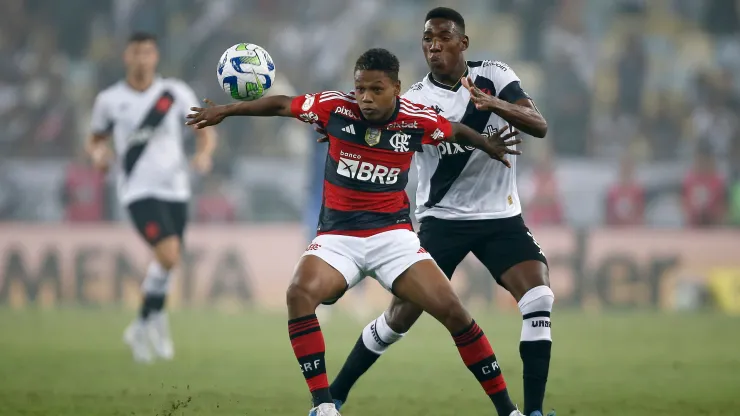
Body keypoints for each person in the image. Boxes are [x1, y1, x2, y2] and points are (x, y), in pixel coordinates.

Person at [187, 48, 525, 416]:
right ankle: (323, 406)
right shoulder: (334, 108)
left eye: (376, 89)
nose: (365, 97)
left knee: (455, 312)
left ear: (396, 88)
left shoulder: (417, 119)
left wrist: (486, 142)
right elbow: (283, 105)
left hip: (394, 238)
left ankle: (509, 411)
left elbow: (454, 130)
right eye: (360, 88)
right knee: (299, 294)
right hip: (338, 238)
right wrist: (225, 111)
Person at [324, 8, 555, 416]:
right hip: (440, 220)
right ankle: (333, 398)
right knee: (398, 318)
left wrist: (493, 103)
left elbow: (538, 125)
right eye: (427, 38)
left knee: (539, 297)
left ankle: (532, 412)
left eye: (443, 37)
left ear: (462, 43)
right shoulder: (413, 99)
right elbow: (371, 126)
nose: (434, 45)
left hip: (499, 218)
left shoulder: (495, 76)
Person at [86, 32, 217, 363]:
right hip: (137, 190)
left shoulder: (173, 93)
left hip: (176, 188)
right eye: (136, 53)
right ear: (126, 57)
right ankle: (151, 321)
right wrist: (99, 155)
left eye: (148, 52)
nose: (142, 58)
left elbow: (204, 131)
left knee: (167, 263)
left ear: (155, 56)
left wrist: (204, 155)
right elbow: (96, 139)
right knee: (169, 255)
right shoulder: (110, 100)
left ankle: (146, 322)